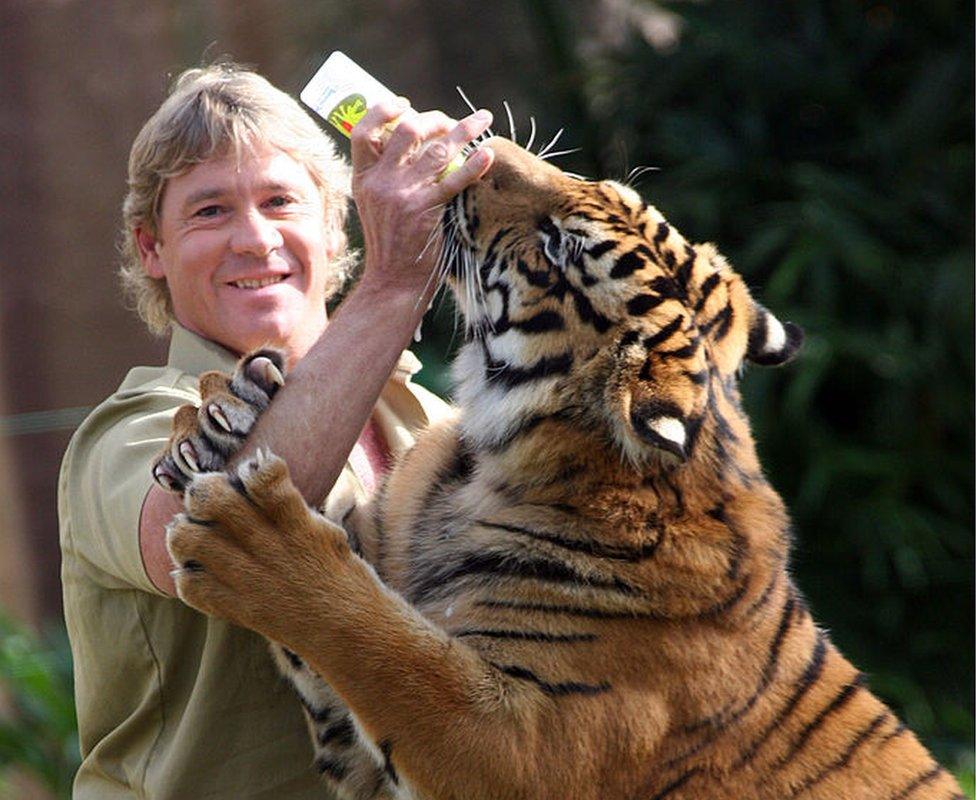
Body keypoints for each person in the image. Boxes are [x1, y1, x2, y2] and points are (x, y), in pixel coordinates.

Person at [58, 63, 494, 799]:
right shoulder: (127, 434)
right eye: (209, 212)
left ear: (332, 223)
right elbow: (211, 539)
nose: (255, 240)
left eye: (280, 201)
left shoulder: (436, 422)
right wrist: (393, 283)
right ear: (149, 249)